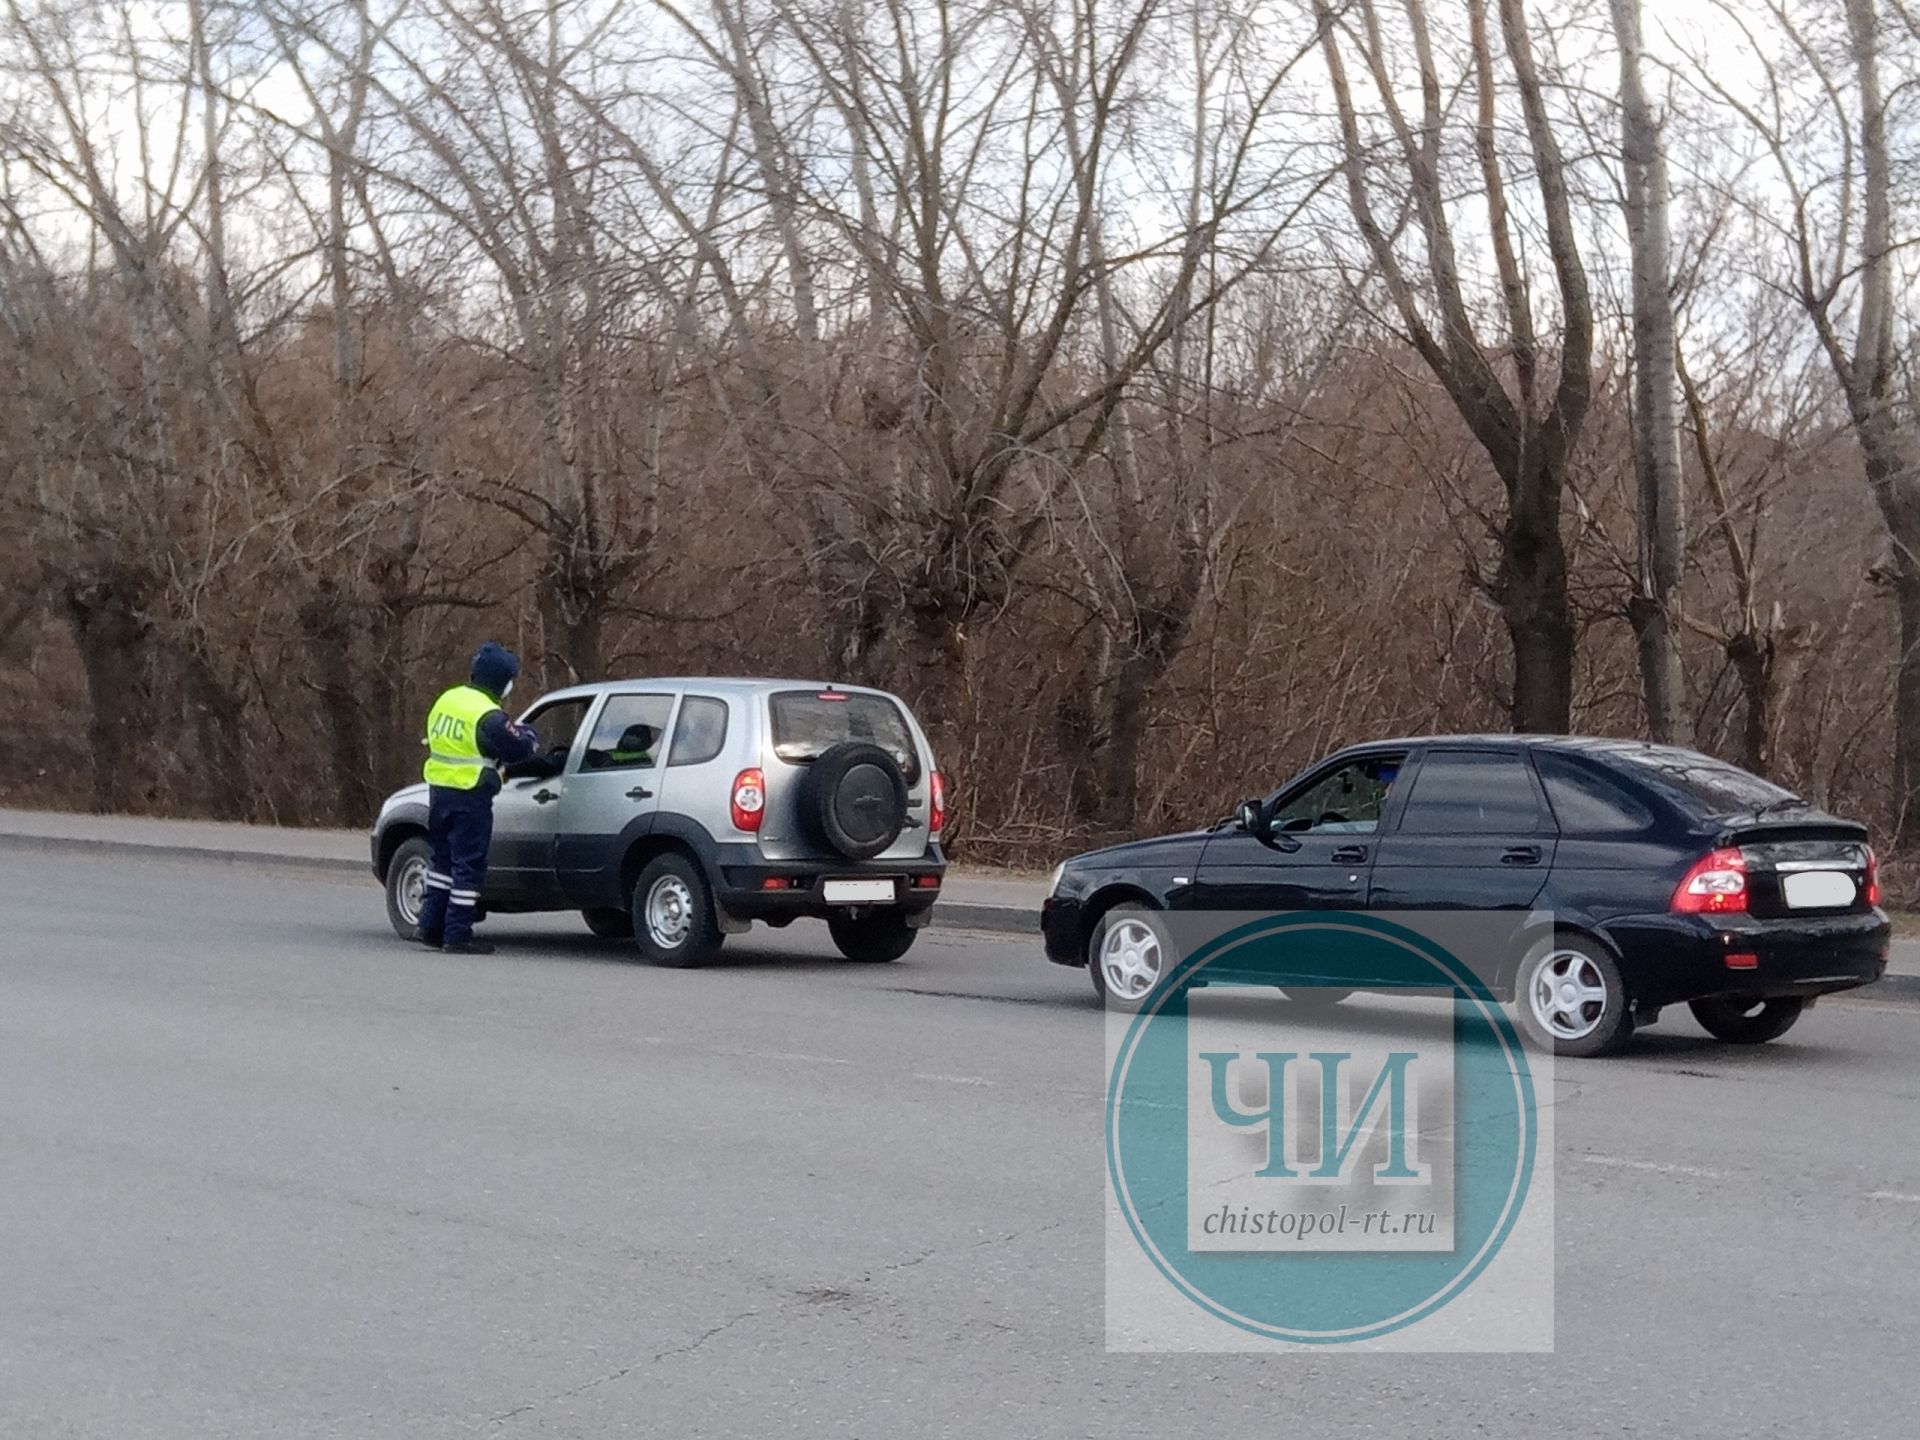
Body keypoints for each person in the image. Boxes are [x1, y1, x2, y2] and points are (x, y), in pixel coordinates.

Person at [413, 642, 541, 954]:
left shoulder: (448, 699)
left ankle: (430, 926)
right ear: (501, 681)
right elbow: (517, 749)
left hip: (439, 792)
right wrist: (530, 738)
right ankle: (457, 935)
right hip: (470, 796)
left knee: (442, 862)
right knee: (468, 866)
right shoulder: (488, 714)